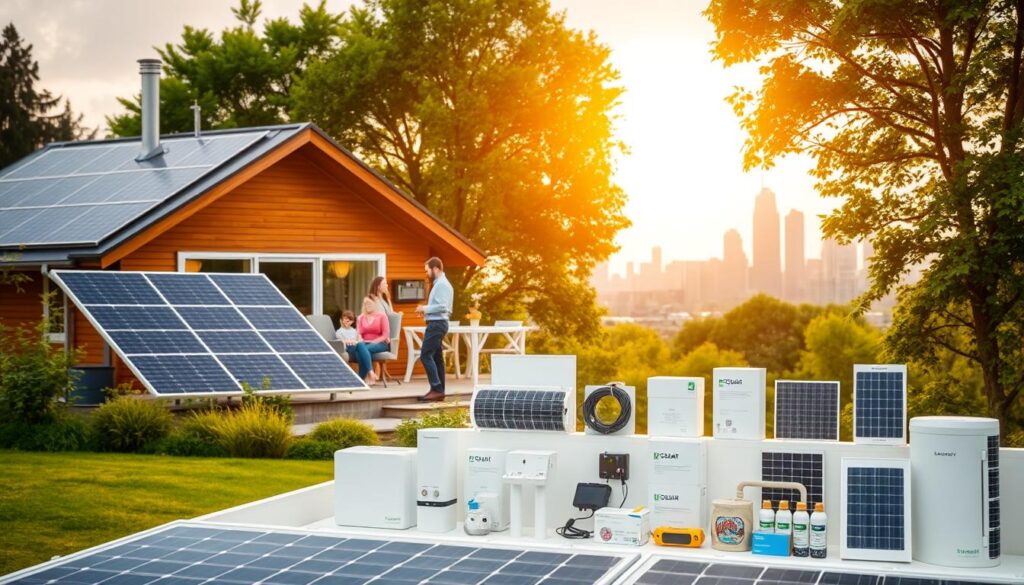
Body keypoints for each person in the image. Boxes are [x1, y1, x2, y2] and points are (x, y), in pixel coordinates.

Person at [416, 256, 453, 402]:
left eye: (427, 271)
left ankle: (436, 388)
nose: (426, 274)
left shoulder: (442, 284)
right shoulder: (439, 283)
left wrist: (424, 308)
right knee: (437, 358)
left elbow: (443, 306)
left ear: (435, 269)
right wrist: (426, 311)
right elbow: (439, 306)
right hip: (437, 323)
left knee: (425, 355)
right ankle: (439, 391)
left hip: (437, 325)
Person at [352, 297, 391, 384]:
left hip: (380, 343)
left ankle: (361, 378)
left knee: (360, 351)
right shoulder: (361, 317)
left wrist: (374, 342)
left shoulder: (382, 316)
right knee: (360, 346)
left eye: (369, 303)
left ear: (375, 304)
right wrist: (360, 339)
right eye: (365, 303)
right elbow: (359, 333)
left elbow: (385, 335)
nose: (367, 305)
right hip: (365, 343)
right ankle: (370, 372)